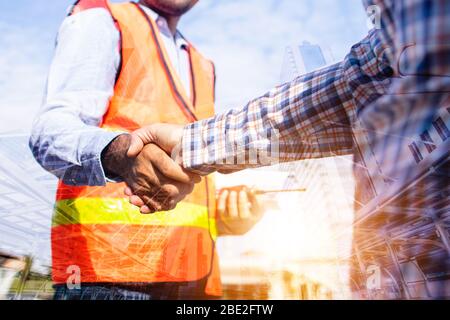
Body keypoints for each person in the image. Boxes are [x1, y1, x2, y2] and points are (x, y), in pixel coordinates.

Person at [126, 0, 450, 299]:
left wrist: (189, 148)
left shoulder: (201, 66)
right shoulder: (106, 19)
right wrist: (221, 209)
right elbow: (352, 92)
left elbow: (354, 86)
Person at [30, 0, 263, 300]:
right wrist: (120, 153)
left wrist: (228, 215)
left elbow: (184, 185)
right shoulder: (104, 19)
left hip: (196, 282)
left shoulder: (204, 66)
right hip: (109, 279)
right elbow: (48, 132)